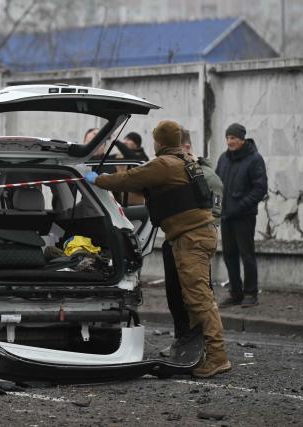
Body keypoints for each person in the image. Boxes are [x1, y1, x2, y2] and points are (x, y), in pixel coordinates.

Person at [85, 120, 230, 378]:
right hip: (197, 235)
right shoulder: (184, 161)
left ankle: (217, 357)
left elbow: (130, 178)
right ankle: (200, 352)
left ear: (160, 142)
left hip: (191, 238)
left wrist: (99, 180)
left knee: (199, 299)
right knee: (194, 298)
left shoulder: (164, 165)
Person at [160, 128, 223, 357]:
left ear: (185, 147)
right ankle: (183, 340)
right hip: (174, 239)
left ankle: (203, 345)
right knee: (175, 294)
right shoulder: (175, 171)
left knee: (197, 296)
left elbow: (213, 213)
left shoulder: (204, 175)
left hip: (193, 242)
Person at [216, 123, 267, 308]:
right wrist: (217, 209)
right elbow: (216, 184)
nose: (230, 141)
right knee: (229, 255)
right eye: (228, 138)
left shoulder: (254, 159)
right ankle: (235, 293)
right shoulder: (223, 159)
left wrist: (241, 206)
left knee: (247, 255)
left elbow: (260, 189)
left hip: (244, 217)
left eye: (234, 138)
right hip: (226, 217)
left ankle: (251, 293)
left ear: (242, 139)